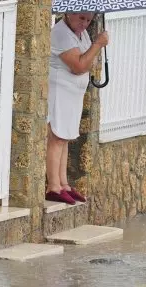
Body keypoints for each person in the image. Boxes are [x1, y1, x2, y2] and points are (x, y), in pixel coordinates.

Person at [46, 13, 109, 205]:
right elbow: (79, 66)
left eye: (88, 20)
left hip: (73, 94)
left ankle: (64, 184)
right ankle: (53, 187)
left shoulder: (82, 34)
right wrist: (98, 44)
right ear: (69, 13)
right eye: (81, 18)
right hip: (60, 92)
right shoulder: (60, 33)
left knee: (64, 138)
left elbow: (87, 60)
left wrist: (94, 45)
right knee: (56, 137)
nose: (85, 24)